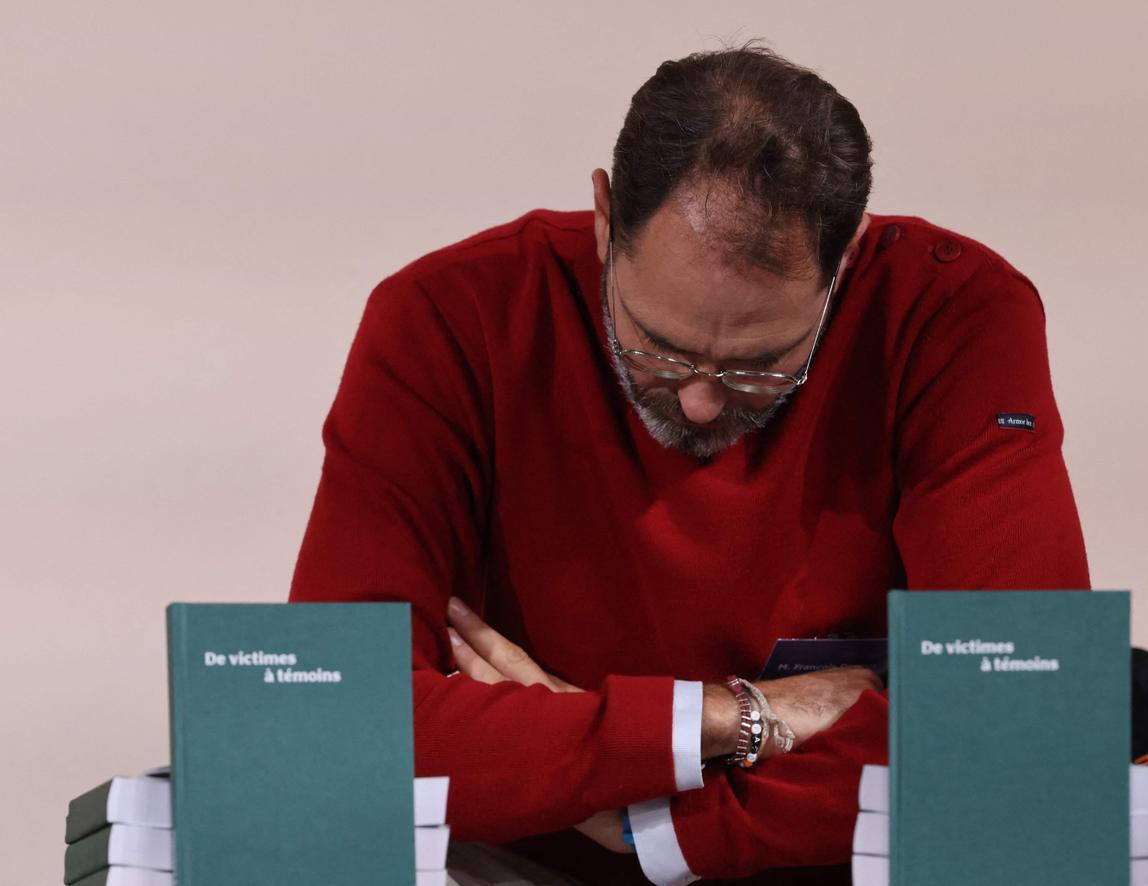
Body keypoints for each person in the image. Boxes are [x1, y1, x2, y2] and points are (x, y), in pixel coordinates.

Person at [289, 44, 1090, 884]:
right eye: (658, 350)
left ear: (846, 256)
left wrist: (651, 825)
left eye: (761, 363)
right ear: (603, 219)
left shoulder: (952, 316)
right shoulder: (450, 317)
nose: (703, 402)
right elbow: (337, 723)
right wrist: (732, 719)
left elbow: (1020, 713)